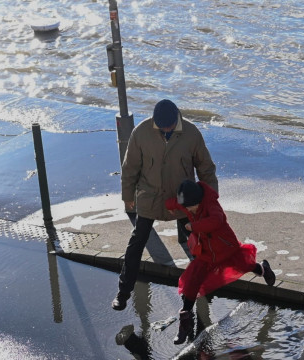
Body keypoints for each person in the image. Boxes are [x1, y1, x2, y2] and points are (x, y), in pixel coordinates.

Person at [112, 99, 219, 311]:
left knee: (197, 247)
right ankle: (123, 292)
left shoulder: (191, 133)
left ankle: (202, 288)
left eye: (169, 126)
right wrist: (127, 196)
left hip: (182, 201)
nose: (166, 130)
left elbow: (206, 168)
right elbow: (130, 167)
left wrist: (211, 199)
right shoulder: (141, 132)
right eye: (162, 127)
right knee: (136, 244)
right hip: (149, 198)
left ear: (176, 118)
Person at [165, 180, 276, 345]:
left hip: (226, 247)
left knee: (244, 264)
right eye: (186, 207)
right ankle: (185, 321)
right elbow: (175, 204)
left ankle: (263, 269)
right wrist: (165, 204)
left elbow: (217, 220)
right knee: (191, 283)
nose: (187, 210)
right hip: (206, 254)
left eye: (190, 207)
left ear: (198, 201)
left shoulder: (211, 204)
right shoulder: (189, 203)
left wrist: (194, 226)